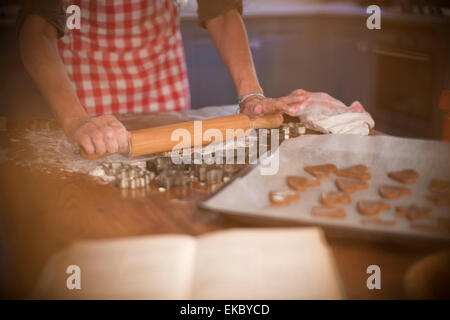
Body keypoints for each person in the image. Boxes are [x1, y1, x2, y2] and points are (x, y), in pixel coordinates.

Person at [18, 0, 308, 155]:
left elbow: (220, 11)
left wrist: (251, 97)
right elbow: (38, 31)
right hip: (86, 77)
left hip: (161, 72)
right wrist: (75, 119)